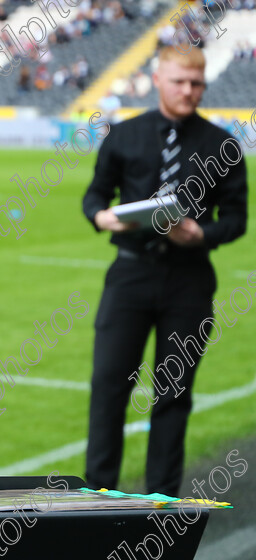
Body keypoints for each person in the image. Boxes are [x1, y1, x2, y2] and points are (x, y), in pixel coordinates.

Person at [82, 46, 247, 497]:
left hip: (188, 280)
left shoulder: (223, 146)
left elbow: (236, 219)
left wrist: (201, 234)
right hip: (130, 275)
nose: (188, 91)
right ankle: (97, 499)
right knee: (109, 387)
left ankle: (161, 506)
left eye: (196, 84)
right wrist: (104, 217)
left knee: (173, 396)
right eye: (179, 82)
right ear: (158, 80)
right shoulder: (125, 135)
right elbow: (94, 196)